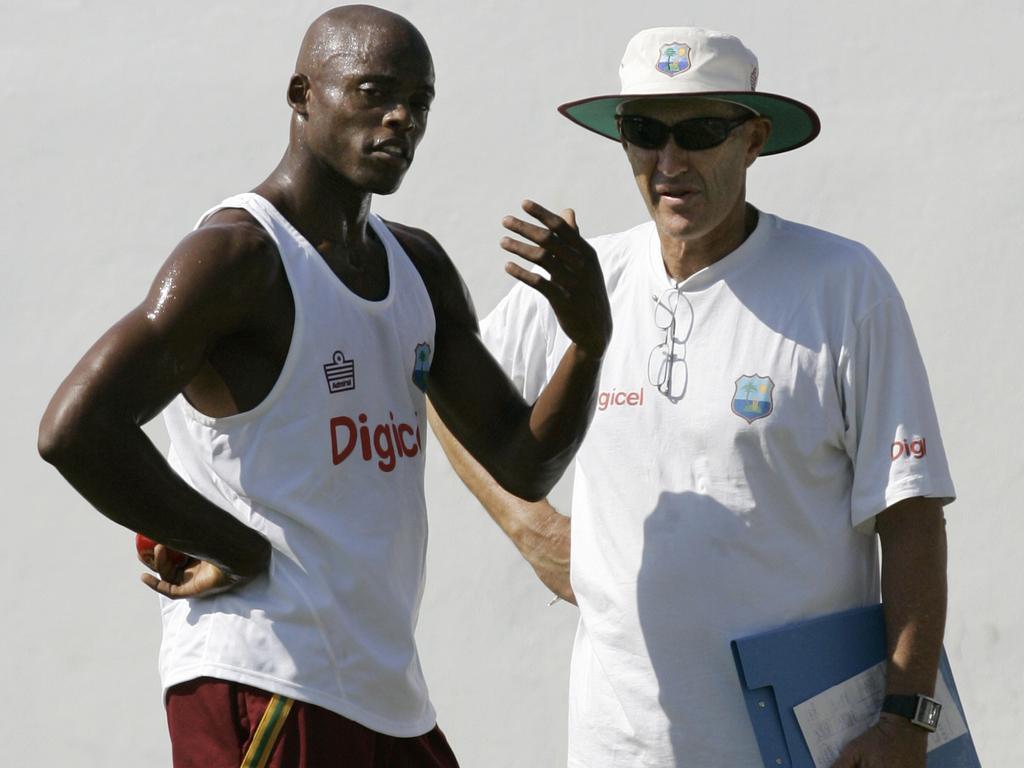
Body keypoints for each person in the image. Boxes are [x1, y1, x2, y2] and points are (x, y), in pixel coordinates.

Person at [36, 6, 612, 767]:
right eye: (374, 91)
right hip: (264, 676)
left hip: (386, 693)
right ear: (302, 94)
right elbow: (74, 430)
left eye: (420, 101)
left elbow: (523, 462)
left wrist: (587, 341)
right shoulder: (238, 257)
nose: (402, 116)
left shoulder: (418, 268)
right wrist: (232, 546)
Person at [430, 26, 954, 767]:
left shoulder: (843, 286)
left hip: (805, 747)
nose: (669, 163)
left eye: (700, 131)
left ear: (754, 138)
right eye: (644, 131)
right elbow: (442, 385)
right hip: (618, 745)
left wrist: (906, 720)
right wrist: (532, 527)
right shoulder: (589, 277)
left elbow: (911, 512)